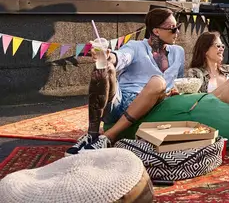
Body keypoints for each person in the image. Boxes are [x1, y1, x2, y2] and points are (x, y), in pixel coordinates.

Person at [66, 8, 185, 155]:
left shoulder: (179, 52)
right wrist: (108, 57)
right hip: (118, 102)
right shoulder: (136, 46)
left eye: (177, 27)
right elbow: (121, 57)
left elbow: (180, 81)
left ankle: (109, 136)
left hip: (150, 102)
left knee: (158, 82)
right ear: (156, 31)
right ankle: (92, 134)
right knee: (104, 68)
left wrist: (175, 91)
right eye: (173, 29)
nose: (177, 32)